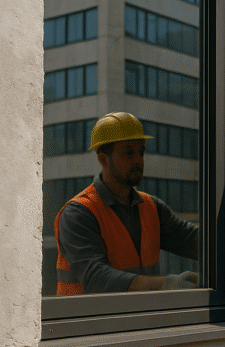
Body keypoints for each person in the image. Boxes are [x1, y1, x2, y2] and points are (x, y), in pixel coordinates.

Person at [54, 111, 199, 294]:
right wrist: (167, 284)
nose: (138, 160)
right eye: (129, 153)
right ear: (104, 160)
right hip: (88, 321)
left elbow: (191, 240)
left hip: (139, 317)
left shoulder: (151, 207)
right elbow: (96, 277)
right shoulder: (79, 213)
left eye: (141, 152)